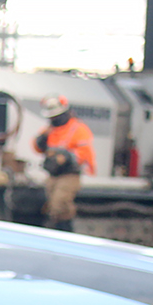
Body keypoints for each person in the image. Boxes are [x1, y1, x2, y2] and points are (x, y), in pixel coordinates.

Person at [33, 93, 94, 231]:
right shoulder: (50, 130)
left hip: (69, 175)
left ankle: (66, 231)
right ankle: (55, 231)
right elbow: (37, 147)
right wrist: (42, 138)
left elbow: (84, 153)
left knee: (59, 203)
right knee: (49, 205)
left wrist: (67, 157)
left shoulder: (78, 129)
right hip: (53, 174)